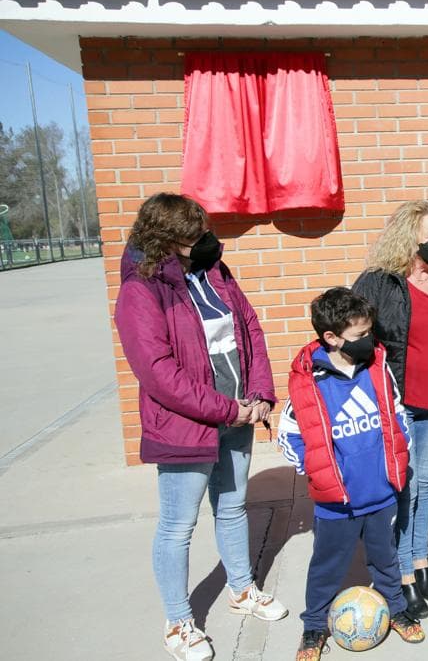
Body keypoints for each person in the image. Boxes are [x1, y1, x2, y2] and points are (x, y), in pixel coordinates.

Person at [114, 193, 288, 661]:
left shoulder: (213, 272)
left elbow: (249, 327)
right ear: (167, 241)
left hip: (237, 415)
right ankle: (178, 621)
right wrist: (227, 409)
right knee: (178, 526)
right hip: (187, 426)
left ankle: (241, 589)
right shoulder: (141, 290)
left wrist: (260, 393)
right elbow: (159, 373)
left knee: (232, 508)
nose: (208, 240)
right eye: (196, 235)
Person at [277, 287, 425, 661]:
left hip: (380, 491)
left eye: (370, 332)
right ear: (331, 337)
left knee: (386, 558)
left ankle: (396, 609)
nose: (368, 340)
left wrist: (399, 455)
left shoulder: (376, 367)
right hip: (337, 502)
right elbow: (289, 434)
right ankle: (314, 626)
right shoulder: (310, 381)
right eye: (360, 334)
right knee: (327, 566)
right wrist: (316, 470)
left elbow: (397, 412)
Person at [352, 200, 428, 619]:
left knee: (426, 480)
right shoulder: (381, 282)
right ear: (408, 239)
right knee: (407, 486)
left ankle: (420, 561)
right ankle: (400, 574)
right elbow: (349, 328)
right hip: (398, 401)